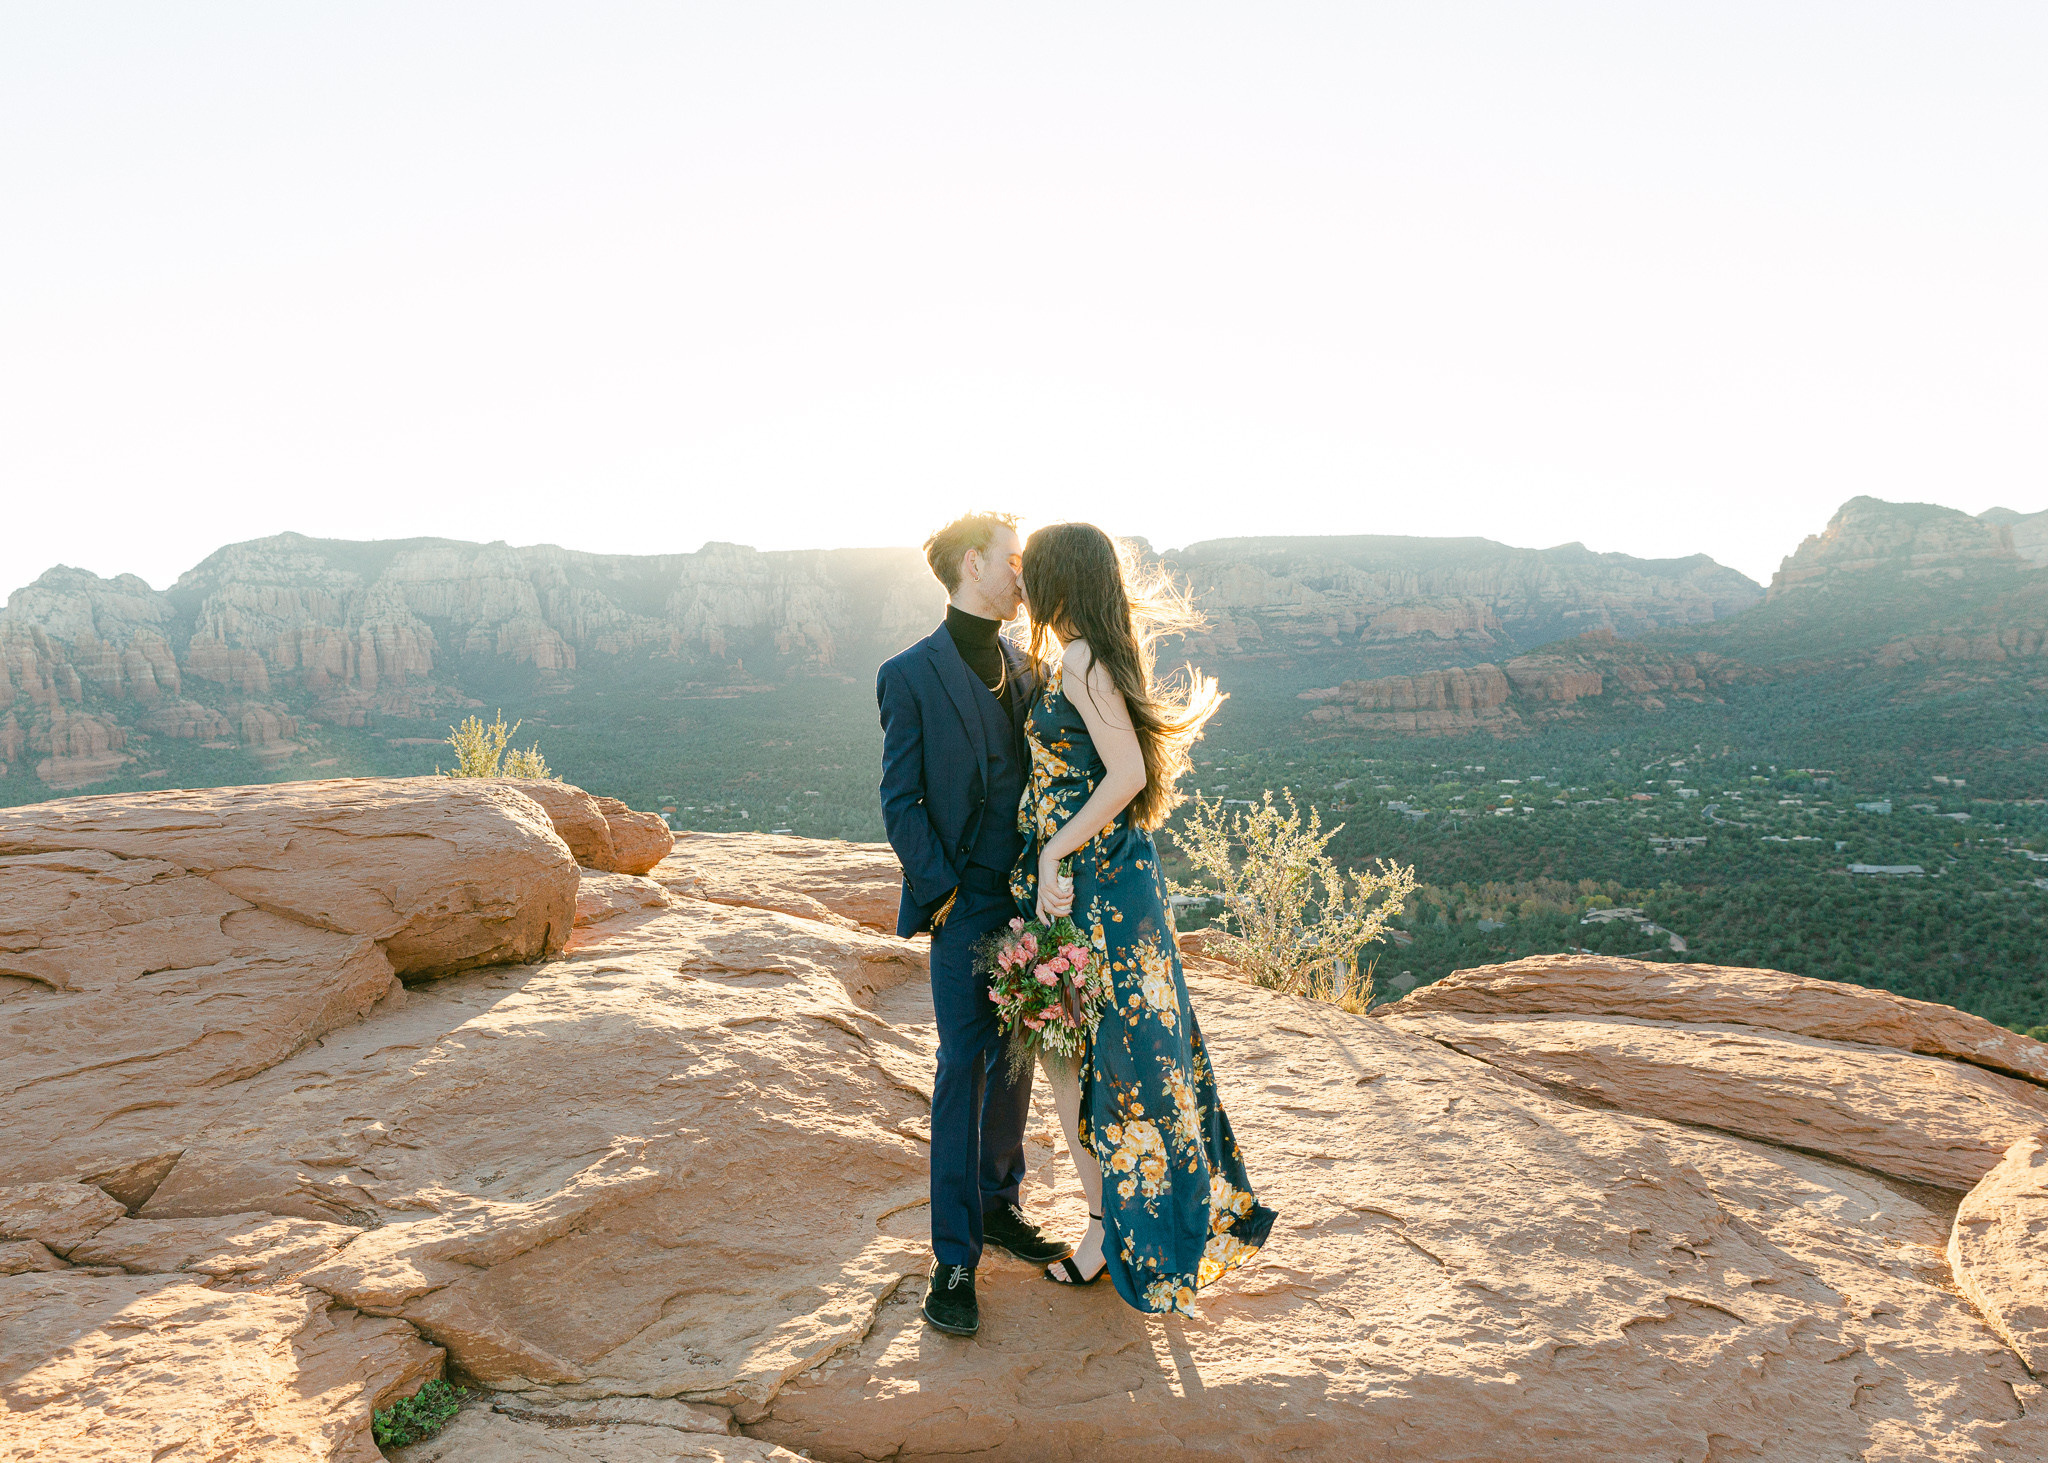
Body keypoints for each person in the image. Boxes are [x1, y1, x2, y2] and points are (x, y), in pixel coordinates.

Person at [1011, 522, 1276, 1314]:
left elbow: (1125, 773)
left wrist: (1053, 852)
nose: (1023, 586)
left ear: (1060, 579)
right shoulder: (1084, 654)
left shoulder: (1083, 658)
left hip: (1096, 887)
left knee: (1107, 1054)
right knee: (1090, 1051)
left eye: (1032, 572)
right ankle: (1111, 1224)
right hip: (1096, 880)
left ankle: (1117, 1232)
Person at [876, 510, 1074, 1339]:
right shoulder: (907, 674)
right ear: (971, 564)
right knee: (963, 1065)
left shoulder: (1029, 664)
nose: (1022, 573)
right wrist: (946, 895)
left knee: (1017, 1056)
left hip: (1027, 900)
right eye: (1012, 560)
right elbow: (900, 799)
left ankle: (999, 1204)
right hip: (964, 903)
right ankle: (953, 1258)